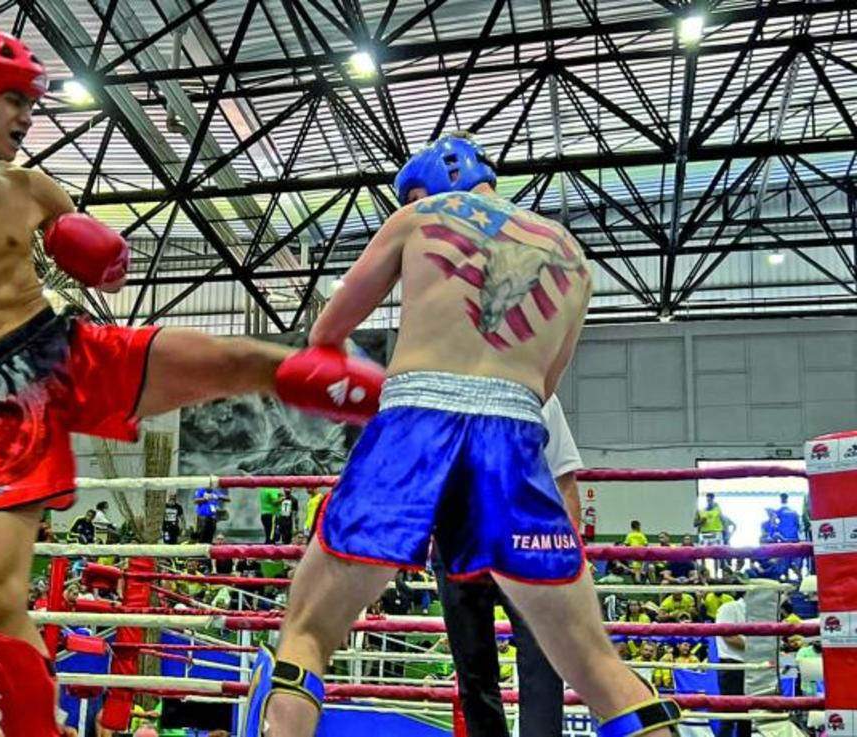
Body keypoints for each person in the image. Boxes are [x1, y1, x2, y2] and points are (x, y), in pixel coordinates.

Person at [0, 29, 382, 736]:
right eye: (17, 100)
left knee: (234, 360)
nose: (28, 117)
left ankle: (387, 400)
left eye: (32, 103)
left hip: (62, 348)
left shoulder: (31, 188)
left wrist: (101, 258)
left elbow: (100, 260)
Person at [244, 134, 680, 737]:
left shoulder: (420, 216)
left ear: (421, 190)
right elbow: (543, 389)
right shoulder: (571, 257)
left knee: (308, 632)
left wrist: (364, 386)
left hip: (413, 425)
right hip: (513, 439)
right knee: (596, 665)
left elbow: (326, 333)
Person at [430, 392, 583, 737]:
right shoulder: (437, 391)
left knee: (543, 662)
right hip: (458, 540)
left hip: (530, 543)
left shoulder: (538, 391)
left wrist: (571, 560)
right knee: (473, 670)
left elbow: (564, 480)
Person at [713, 593, 750, 737]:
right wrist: (758, 647)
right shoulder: (729, 608)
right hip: (732, 665)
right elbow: (729, 636)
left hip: (749, 666)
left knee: (747, 715)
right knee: (729, 714)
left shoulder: (756, 613)